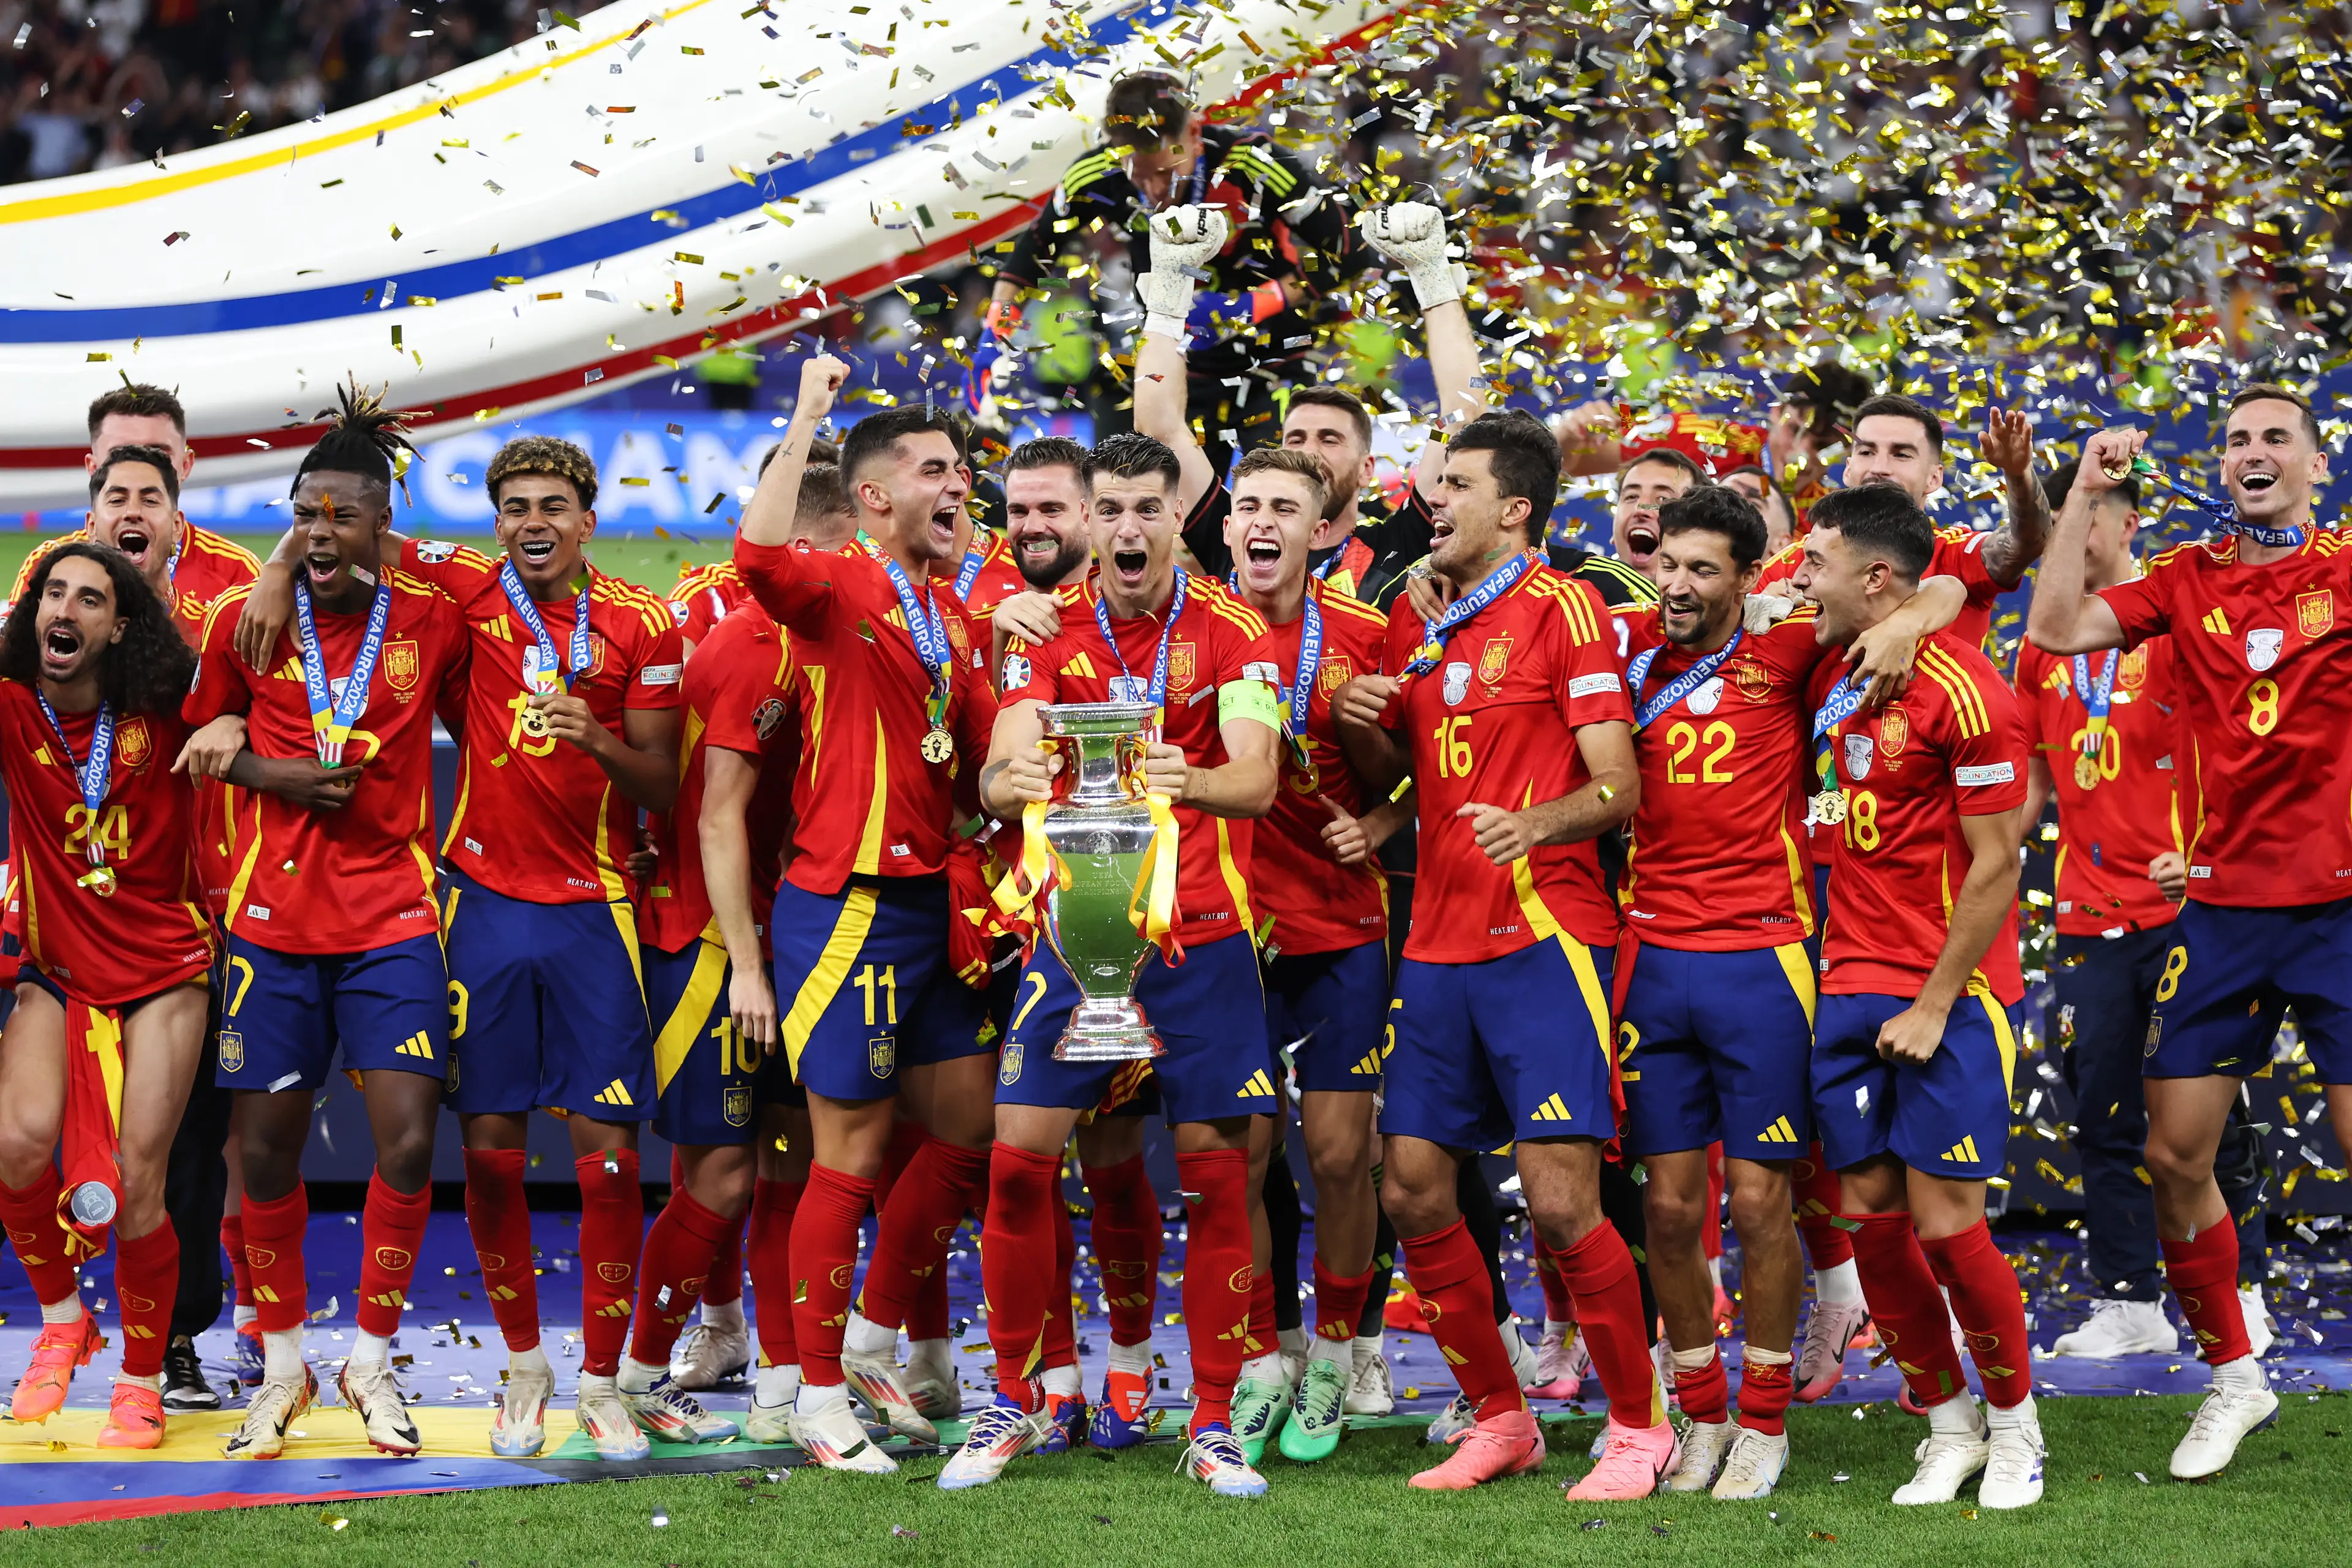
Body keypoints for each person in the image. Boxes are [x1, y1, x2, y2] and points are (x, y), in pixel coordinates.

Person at [234, 432, 688, 1459]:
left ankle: (604, 1382)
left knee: (610, 1165)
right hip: (480, 904)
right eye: (515, 507)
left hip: (600, 911)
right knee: (488, 1156)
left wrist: (599, 739)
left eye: (552, 507)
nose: (533, 525)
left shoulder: (641, 621)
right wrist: (269, 573)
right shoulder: (463, 589)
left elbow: (664, 785)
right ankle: (523, 1374)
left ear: (588, 514)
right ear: (495, 519)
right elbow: (340, 535)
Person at [1327, 409, 1670, 1498]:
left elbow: (1621, 785)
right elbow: (1403, 780)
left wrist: (1541, 824)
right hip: (1432, 943)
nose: (1434, 499)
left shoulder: (1566, 611)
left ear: (1515, 508)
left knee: (1564, 1200)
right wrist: (1359, 716)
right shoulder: (1426, 623)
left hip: (1545, 937)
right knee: (1414, 1186)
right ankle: (1500, 1417)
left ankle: (1635, 1425)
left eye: (1457, 485)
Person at [946, 431, 1283, 1497]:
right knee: (1015, 1163)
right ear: (1087, 521)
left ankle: (1217, 1420)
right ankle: (1012, 1401)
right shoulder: (1043, 632)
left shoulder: (1236, 634)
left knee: (1219, 1174)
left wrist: (1187, 778)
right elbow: (1000, 776)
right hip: (1071, 932)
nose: (1131, 529)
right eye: (1114, 511)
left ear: (1182, 515)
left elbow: (1260, 780)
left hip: (1201, 940)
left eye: (1151, 508)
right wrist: (1020, 774)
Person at [1616, 483, 1965, 1499]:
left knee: (1762, 1201)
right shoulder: (1625, 649)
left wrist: (1917, 614)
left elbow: (1948, 579)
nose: (1678, 586)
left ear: (1746, 578)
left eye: (1701, 571)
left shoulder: (1790, 650)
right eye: (1668, 566)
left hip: (1762, 963)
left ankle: (1764, 1424)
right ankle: (1702, 1414)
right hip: (1652, 965)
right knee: (1672, 1213)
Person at [2026, 384, 2348, 1480]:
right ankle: (2235, 1380)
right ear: (2220, 468)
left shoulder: (2346, 572)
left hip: (2340, 910)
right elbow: (2055, 626)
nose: (2253, 453)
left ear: (2315, 465)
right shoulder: (2190, 581)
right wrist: (2082, 490)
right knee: (2172, 1155)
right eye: (2237, 441)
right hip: (2218, 913)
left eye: (2276, 439)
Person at [181, 391, 470, 1459]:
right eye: (305, 514)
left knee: (405, 1138)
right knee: (263, 1155)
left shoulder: (434, 615)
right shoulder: (244, 621)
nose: (319, 534)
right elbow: (199, 740)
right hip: (270, 921)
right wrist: (275, 772)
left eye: (343, 516)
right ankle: (287, 1364)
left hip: (393, 913)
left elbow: (500, 581)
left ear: (381, 523)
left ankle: (373, 1359)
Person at [728, 361, 1001, 1472]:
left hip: (939, 904)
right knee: (847, 1156)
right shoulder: (838, 584)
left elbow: (985, 762)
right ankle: (817, 1392)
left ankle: (871, 1336)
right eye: (938, 471)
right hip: (845, 906)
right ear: (879, 496)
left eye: (963, 469)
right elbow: (754, 554)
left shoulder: (955, 611)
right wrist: (807, 420)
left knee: (968, 1136)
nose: (961, 486)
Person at [8, 388, 261, 1412]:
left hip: (178, 939)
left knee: (176, 1161)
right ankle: (66, 1322)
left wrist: (236, 729)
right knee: (20, 1142)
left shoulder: (221, 611)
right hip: (60, 945)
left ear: (182, 483)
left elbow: (271, 706)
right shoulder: (42, 611)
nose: (133, 503)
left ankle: (163, 1359)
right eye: (116, 482)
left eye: (152, 481)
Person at [1792, 483, 2044, 1510]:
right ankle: (1946, 1426)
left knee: (1949, 1227)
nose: (1801, 579)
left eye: (1817, 564)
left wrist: (1938, 1002)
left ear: (1878, 578)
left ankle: (2018, 1429)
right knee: (1871, 1219)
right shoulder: (1834, 681)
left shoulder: (1969, 693)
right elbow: (1825, 803)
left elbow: (1997, 866)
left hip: (1944, 993)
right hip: (1847, 986)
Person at [0, 542, 209, 1449]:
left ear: (117, 627)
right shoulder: (12, 707)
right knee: (15, 1143)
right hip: (59, 968)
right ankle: (62, 1318)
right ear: (33, 611)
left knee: (137, 1188)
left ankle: (140, 1377)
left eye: (91, 600)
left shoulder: (167, 712)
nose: (68, 610)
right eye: (55, 593)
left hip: (165, 967)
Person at [2015, 460, 2186, 1360]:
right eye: (2057, 526)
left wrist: (2205, 853)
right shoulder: (2041, 645)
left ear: (2124, 528)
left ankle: (2241, 1287)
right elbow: (2032, 784)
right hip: (2087, 916)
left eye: (2086, 523)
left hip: (2190, 911)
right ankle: (2132, 1301)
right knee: (2105, 1114)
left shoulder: (2179, 624)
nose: (2068, 544)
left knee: (2207, 1109)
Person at [979, 70, 1360, 472]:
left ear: (1194, 132)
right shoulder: (1097, 172)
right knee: (1141, 500)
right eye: (1138, 175)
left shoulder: (1252, 162)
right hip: (1176, 368)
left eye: (1165, 173)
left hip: (1272, 363)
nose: (1154, 191)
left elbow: (1349, 252)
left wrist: (1255, 304)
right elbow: (1032, 251)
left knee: (1283, 492)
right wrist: (997, 326)